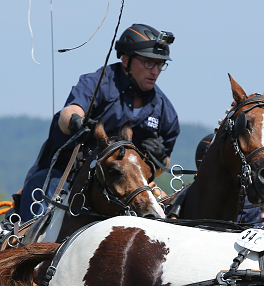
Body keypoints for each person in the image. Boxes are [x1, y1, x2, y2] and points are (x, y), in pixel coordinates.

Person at [17, 23, 180, 221]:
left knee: (169, 217)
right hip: (66, 176)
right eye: (148, 62)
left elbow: (166, 163)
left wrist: (159, 158)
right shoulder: (98, 83)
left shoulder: (164, 109)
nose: (155, 71)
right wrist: (75, 121)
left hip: (123, 186)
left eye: (160, 64)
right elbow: (69, 112)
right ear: (126, 60)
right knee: (39, 194)